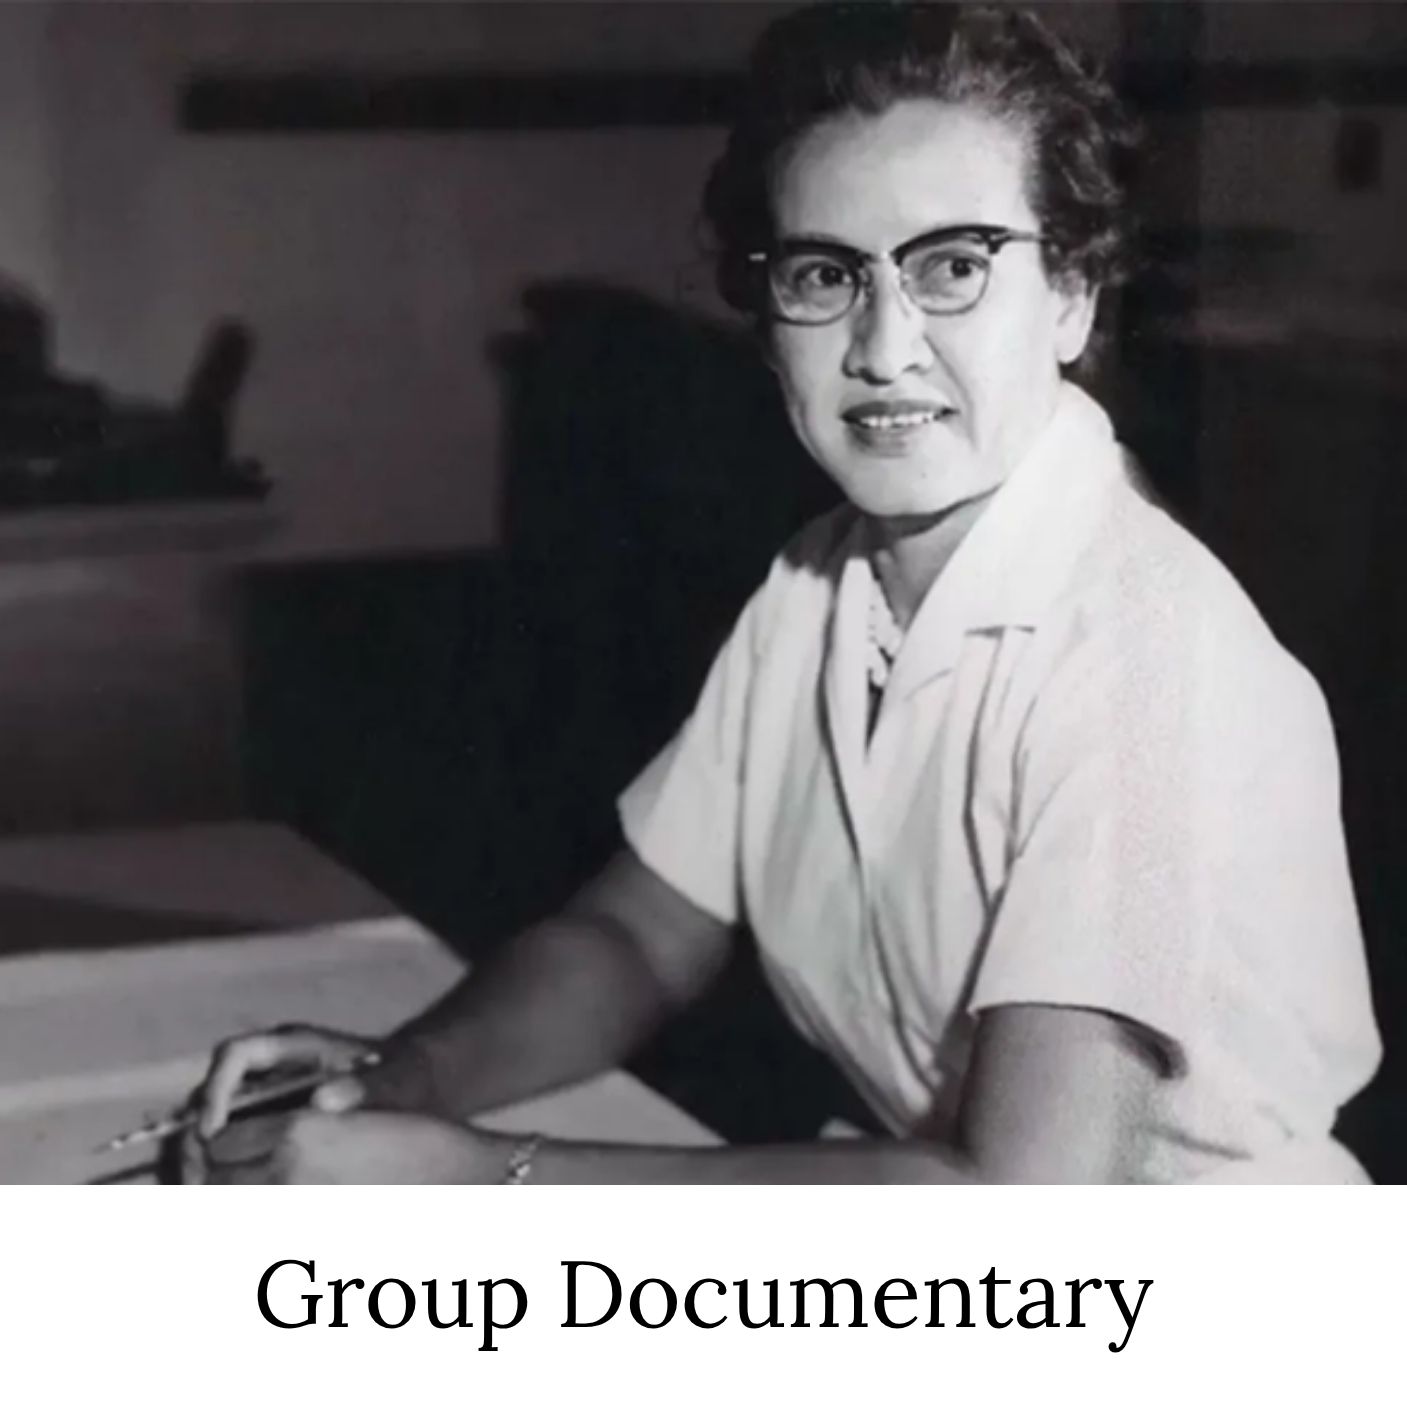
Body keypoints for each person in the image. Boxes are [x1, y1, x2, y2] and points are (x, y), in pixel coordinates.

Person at [185, 1, 1380, 1184]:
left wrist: (479, 1180)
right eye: (825, 275)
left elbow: (1028, 1223)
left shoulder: (1153, 665)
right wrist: (400, 1079)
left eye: (954, 266)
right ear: (770, 327)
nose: (883, 344)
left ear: (1071, 297)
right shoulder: (822, 582)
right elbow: (637, 939)